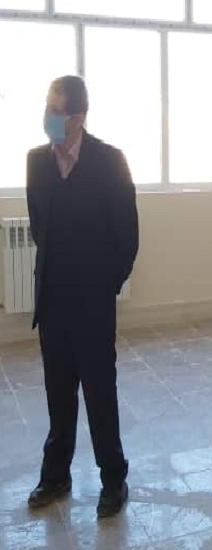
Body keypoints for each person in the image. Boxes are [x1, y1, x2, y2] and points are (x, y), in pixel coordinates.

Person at [25, 75, 139, 518]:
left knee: (99, 391)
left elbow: (127, 236)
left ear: (79, 117)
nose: (49, 118)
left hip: (93, 302)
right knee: (58, 391)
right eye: (47, 108)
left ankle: (113, 478)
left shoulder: (110, 161)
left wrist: (104, 286)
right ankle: (56, 474)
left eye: (57, 112)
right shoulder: (36, 162)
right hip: (53, 298)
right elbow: (39, 227)